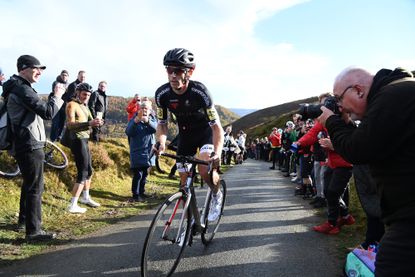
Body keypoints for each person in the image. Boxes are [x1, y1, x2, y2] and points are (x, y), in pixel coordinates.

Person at [318, 67, 415, 276]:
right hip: (405, 215)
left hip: (409, 220)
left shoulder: (393, 96)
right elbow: (369, 141)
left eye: (339, 99)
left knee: (392, 265)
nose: (340, 106)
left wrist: (332, 121)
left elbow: (358, 150)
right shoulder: (396, 94)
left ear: (359, 90)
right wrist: (345, 124)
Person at [154, 48, 224, 222]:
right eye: (170, 70)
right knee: (184, 180)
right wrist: (161, 142)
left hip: (206, 133)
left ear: (189, 72)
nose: (173, 75)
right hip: (185, 135)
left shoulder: (200, 92)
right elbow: (162, 124)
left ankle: (216, 194)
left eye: (178, 71)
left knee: (204, 167)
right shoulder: (162, 94)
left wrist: (218, 152)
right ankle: (189, 219)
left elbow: (216, 127)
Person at [2, 55, 64, 241]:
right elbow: (47, 112)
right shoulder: (22, 89)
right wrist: (57, 97)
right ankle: (34, 231)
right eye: (35, 68)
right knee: (36, 186)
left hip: (23, 142)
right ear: (23, 69)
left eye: (41, 69)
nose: (39, 72)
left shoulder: (16, 86)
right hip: (29, 143)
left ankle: (24, 221)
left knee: (30, 184)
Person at [66, 83, 103, 213]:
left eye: (88, 95)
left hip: (85, 139)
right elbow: (70, 125)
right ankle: (72, 205)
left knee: (89, 171)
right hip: (76, 140)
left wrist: (97, 122)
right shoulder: (72, 105)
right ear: (78, 93)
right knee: (83, 172)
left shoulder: (85, 106)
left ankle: (86, 197)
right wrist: (89, 123)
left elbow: (92, 121)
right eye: (84, 94)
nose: (86, 97)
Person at [125, 101, 157, 201]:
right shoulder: (134, 120)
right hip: (137, 151)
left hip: (149, 152)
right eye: (142, 108)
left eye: (146, 108)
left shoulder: (152, 119)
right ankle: (135, 195)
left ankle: (142, 193)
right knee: (138, 174)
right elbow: (128, 131)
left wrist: (147, 121)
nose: (144, 110)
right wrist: (136, 121)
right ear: (139, 109)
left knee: (145, 174)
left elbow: (155, 129)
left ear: (150, 110)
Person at [49, 70, 70, 141]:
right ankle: (53, 139)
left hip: (64, 106)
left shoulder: (69, 85)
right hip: (56, 105)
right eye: (63, 75)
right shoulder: (56, 83)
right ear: (60, 76)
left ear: (68, 77)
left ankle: (59, 137)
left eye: (66, 75)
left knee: (62, 123)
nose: (64, 76)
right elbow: (55, 91)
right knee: (55, 123)